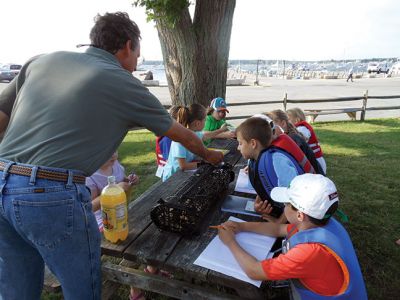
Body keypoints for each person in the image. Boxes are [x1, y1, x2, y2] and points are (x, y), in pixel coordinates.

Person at [0, 12, 223, 300]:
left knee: (16, 289)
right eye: (138, 56)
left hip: (2, 178)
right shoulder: (123, 82)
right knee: (82, 287)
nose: (135, 65)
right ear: (127, 46)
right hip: (49, 192)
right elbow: (182, 135)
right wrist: (209, 154)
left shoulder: (42, 60)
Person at [218, 174, 368, 299]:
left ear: (299, 215)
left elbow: (254, 271)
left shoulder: (309, 252)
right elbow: (278, 228)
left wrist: (230, 241)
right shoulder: (319, 222)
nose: (284, 207)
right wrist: (242, 226)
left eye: (286, 204)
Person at [236, 117, 305, 222]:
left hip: (299, 217)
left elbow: (294, 196)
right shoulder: (255, 160)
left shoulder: (277, 160)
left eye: (240, 143)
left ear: (253, 144)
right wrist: (258, 204)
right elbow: (262, 183)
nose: (238, 148)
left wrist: (278, 223)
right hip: (280, 211)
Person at [162, 104, 228, 181]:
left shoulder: (195, 133)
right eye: (205, 120)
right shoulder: (180, 140)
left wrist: (221, 130)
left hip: (185, 173)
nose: (205, 122)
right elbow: (183, 166)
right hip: (172, 178)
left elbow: (207, 135)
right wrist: (204, 163)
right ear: (197, 123)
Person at [86, 151, 139, 227]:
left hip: (122, 213)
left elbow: (121, 180)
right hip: (106, 222)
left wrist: (129, 180)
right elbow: (91, 207)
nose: (113, 155)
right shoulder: (90, 176)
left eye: (115, 150)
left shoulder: (115, 164)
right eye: (108, 151)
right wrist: (115, 190)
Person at [267, 109, 325, 175]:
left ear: (283, 123)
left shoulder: (292, 140)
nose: (269, 130)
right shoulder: (287, 137)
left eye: (272, 125)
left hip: (314, 179)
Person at [287, 107, 327, 174]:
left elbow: (301, 139)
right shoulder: (299, 127)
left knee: (317, 178)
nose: (287, 122)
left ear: (296, 120)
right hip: (313, 159)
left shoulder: (302, 128)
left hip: (316, 160)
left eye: (288, 119)